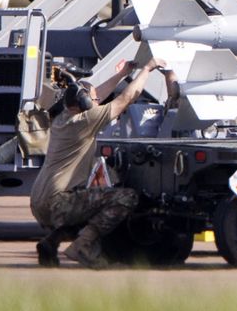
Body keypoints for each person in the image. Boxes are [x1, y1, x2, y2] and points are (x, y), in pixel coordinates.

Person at [30, 57, 166, 268]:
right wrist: (147, 69)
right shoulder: (84, 122)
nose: (97, 102)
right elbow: (125, 99)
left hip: (39, 201)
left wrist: (121, 74)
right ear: (84, 104)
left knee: (84, 204)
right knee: (125, 198)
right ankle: (83, 246)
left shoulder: (63, 117)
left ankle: (50, 243)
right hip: (57, 203)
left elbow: (94, 94)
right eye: (93, 101)